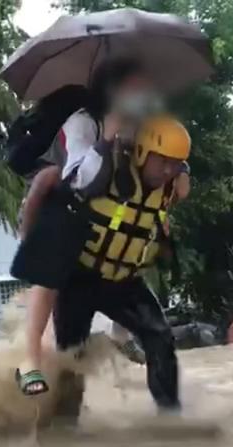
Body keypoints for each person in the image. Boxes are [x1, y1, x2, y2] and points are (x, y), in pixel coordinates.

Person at [13, 57, 171, 396]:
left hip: (104, 234)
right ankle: (31, 360)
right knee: (68, 336)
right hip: (60, 206)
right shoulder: (82, 122)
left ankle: (124, 341)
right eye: (133, 90)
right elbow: (80, 179)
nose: (141, 98)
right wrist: (108, 137)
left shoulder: (141, 127)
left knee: (140, 249)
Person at [48, 115, 193, 412]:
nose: (166, 170)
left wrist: (183, 169)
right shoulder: (108, 168)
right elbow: (80, 180)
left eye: (174, 164)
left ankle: (170, 415)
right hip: (80, 277)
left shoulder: (172, 184)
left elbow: (178, 180)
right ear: (141, 152)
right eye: (161, 161)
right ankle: (62, 429)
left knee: (160, 337)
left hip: (124, 282)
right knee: (70, 354)